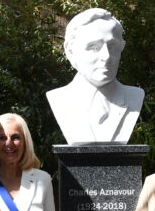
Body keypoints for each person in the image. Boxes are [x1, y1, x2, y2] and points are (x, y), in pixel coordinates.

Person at [46, 8, 144, 144]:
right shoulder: (59, 99)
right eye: (93, 47)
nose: (106, 57)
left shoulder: (135, 96)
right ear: (70, 51)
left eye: (113, 46)